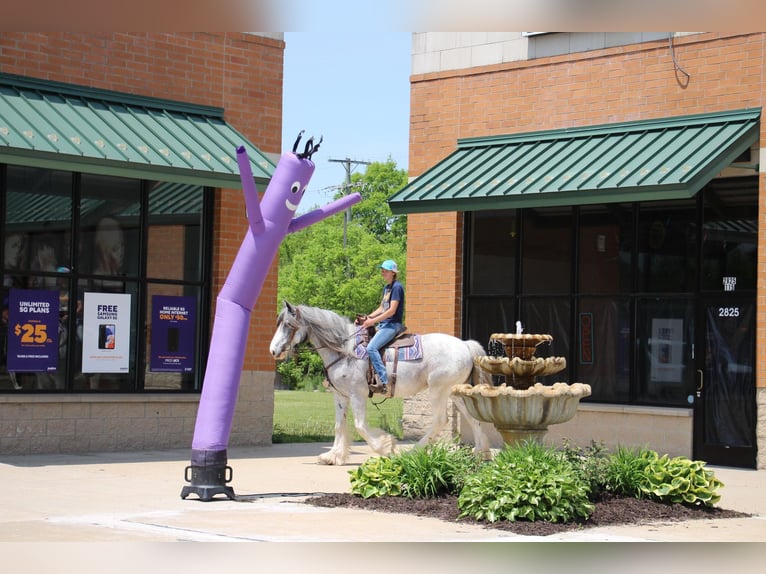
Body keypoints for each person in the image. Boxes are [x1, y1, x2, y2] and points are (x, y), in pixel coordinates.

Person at [361, 259, 405, 395]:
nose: (382, 273)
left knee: (371, 347)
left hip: (393, 325)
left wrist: (373, 322)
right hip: (384, 324)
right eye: (382, 270)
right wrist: (369, 317)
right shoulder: (387, 288)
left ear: (393, 272)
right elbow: (382, 308)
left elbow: (391, 311)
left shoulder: (397, 287)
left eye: (385, 271)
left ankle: (383, 380)